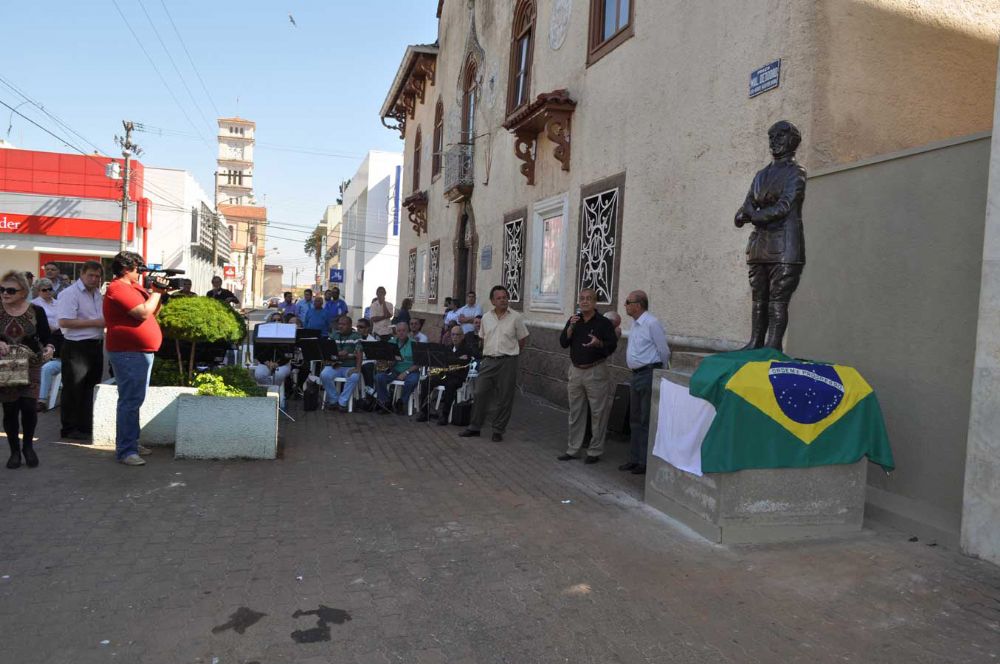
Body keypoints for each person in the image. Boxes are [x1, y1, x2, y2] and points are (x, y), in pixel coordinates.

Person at [734, 120, 807, 352]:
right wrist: (742, 214)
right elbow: (747, 205)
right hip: (759, 246)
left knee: (778, 299)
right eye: (771, 137)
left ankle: (772, 346)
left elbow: (784, 206)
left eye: (780, 136)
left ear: (792, 141)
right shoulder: (760, 175)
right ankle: (755, 342)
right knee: (759, 298)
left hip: (784, 246)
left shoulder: (796, 173)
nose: (774, 142)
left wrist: (753, 215)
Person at [104, 251, 168, 466]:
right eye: (137, 268)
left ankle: (131, 442)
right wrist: (156, 292)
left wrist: (159, 294)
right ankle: (126, 450)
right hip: (128, 352)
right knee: (130, 401)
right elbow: (142, 313)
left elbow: (152, 311)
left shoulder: (133, 287)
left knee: (134, 400)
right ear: (125, 269)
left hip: (138, 352)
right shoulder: (118, 288)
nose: (140, 272)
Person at [459, 285, 529, 442]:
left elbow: (522, 340)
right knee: (479, 392)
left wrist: (511, 352)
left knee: (505, 397)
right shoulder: (486, 318)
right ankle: (475, 427)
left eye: (505, 297)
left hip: (508, 362)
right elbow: (483, 338)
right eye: (499, 298)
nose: (503, 300)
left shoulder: (516, 317)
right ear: (492, 301)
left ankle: (498, 429)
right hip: (489, 360)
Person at [556, 288, 619, 464]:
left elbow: (612, 346)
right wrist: (570, 328)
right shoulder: (574, 320)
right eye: (582, 298)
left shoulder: (603, 323)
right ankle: (573, 449)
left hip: (595, 371)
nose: (584, 301)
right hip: (576, 371)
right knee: (575, 412)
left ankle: (594, 451)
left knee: (598, 413)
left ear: (595, 302)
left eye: (588, 298)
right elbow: (563, 343)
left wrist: (598, 343)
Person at [0, 271, 54, 469]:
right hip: (7, 365)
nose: (5, 293)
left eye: (10, 290)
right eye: (2, 289)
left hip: (32, 363)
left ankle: (28, 447)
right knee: (10, 409)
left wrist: (50, 347)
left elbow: (47, 337)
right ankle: (14, 452)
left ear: (23, 291)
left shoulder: (36, 310)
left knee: (29, 407)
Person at [622, 290, 671, 475]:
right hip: (635, 375)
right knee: (634, 419)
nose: (625, 305)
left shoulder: (652, 323)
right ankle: (634, 459)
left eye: (628, 302)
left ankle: (644, 461)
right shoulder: (635, 324)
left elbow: (664, 350)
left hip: (648, 373)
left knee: (645, 419)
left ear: (639, 305)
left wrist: (659, 373)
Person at [56, 260, 105, 442]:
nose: (94, 279)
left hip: (95, 344)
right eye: (90, 275)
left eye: (97, 276)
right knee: (74, 388)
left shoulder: (97, 294)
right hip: (76, 345)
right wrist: (96, 322)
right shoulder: (70, 293)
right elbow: (64, 321)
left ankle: (85, 426)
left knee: (90, 387)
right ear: (82, 274)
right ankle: (69, 428)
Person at [417, 324, 480, 425]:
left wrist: (451, 361)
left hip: (457, 376)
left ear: (462, 336)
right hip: (445, 374)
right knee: (426, 381)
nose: (455, 337)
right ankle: (424, 412)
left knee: (450, 385)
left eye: (457, 335)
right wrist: (457, 359)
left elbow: (462, 363)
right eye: (453, 334)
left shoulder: (467, 349)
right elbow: (444, 361)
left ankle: (445, 415)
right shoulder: (448, 347)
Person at [319, 315, 364, 412]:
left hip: (349, 366)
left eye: (343, 324)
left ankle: (342, 402)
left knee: (354, 377)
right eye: (339, 324)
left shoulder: (356, 336)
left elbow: (359, 352)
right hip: (335, 365)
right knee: (324, 375)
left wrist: (357, 368)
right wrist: (339, 354)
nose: (340, 326)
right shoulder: (334, 335)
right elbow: (328, 350)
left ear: (350, 325)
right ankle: (334, 399)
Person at [374, 321, 418, 414]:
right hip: (395, 370)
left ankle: (401, 402)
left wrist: (406, 372)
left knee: (412, 381)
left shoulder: (414, 343)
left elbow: (419, 363)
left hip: (410, 371)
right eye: (399, 331)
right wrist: (389, 363)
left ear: (408, 332)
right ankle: (386, 402)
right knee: (379, 377)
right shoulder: (391, 342)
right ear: (396, 332)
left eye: (403, 330)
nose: (401, 333)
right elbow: (386, 359)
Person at [31, 278, 62, 412]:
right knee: (40, 365)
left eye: (50, 289)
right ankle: (36, 397)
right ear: (38, 291)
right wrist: (49, 328)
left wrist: (59, 328)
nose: (48, 292)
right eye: (44, 290)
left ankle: (40, 397)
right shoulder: (34, 305)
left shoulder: (58, 303)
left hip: (60, 334)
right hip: (43, 336)